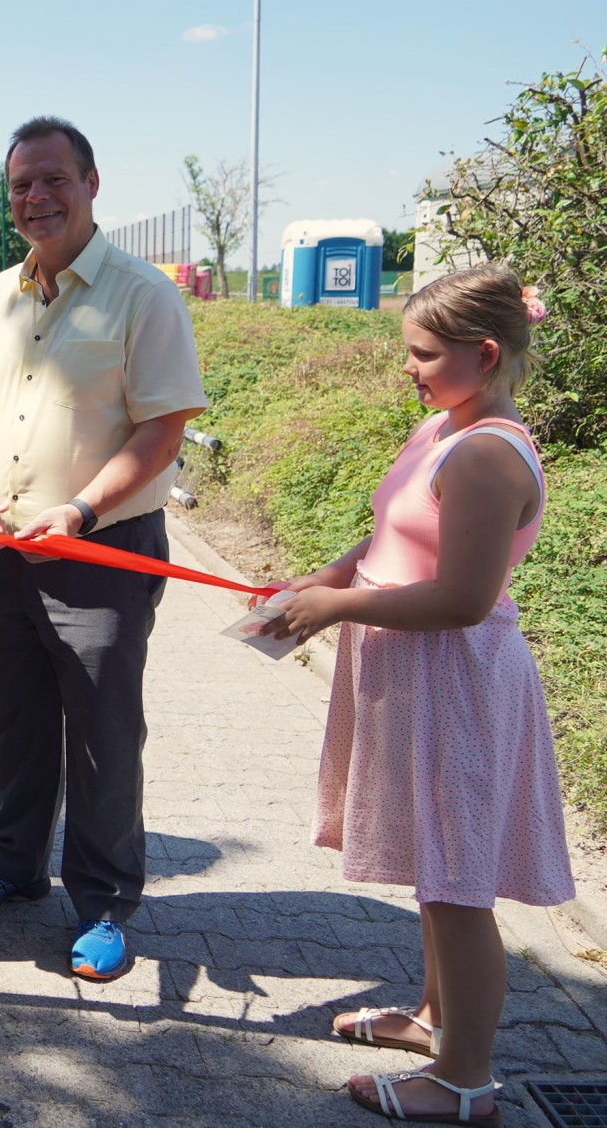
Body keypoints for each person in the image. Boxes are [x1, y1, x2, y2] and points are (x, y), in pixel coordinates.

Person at [263, 267, 572, 1126]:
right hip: (414, 671)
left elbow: (462, 599)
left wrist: (337, 607)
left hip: (455, 678)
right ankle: (435, 1018)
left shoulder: (485, 454)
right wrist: (317, 583)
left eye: (424, 353)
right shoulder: (446, 425)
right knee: (437, 864)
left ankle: (465, 1080)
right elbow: (393, 529)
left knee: (458, 882)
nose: (409, 367)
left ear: (484, 353)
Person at [0, 116, 207, 982]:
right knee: (16, 721)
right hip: (3, 550)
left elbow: (164, 427)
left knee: (101, 730)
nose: (36, 197)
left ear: (92, 183)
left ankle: (102, 902)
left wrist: (83, 510)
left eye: (54, 179)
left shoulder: (142, 294)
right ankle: (13, 864)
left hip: (102, 551)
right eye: (21, 184)